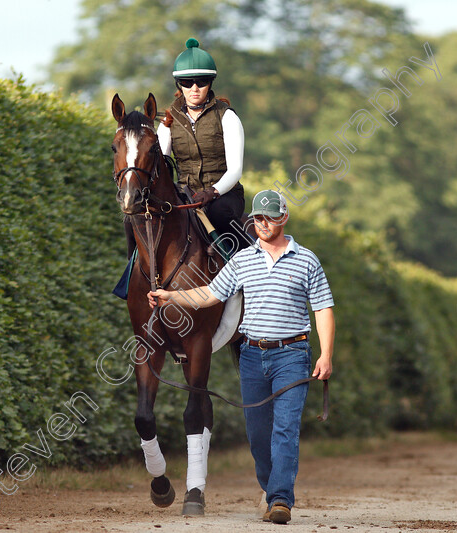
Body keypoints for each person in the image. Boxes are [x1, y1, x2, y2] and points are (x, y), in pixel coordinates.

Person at [147, 190, 335, 524]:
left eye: (271, 217)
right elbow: (209, 294)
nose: (264, 224)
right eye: (259, 218)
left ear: (284, 218)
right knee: (259, 434)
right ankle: (270, 489)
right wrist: (170, 296)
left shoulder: (307, 259)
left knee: (285, 430)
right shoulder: (242, 261)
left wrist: (326, 355)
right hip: (252, 356)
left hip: (293, 354)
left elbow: (322, 308)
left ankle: (280, 500)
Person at [114, 38, 247, 299]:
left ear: (210, 83)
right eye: (187, 83)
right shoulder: (168, 121)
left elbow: (236, 170)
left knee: (220, 214)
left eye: (201, 81)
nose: (194, 88)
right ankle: (133, 274)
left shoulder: (227, 117)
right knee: (133, 221)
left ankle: (245, 279)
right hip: (184, 196)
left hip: (223, 196)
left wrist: (212, 192)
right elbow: (159, 162)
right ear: (179, 85)